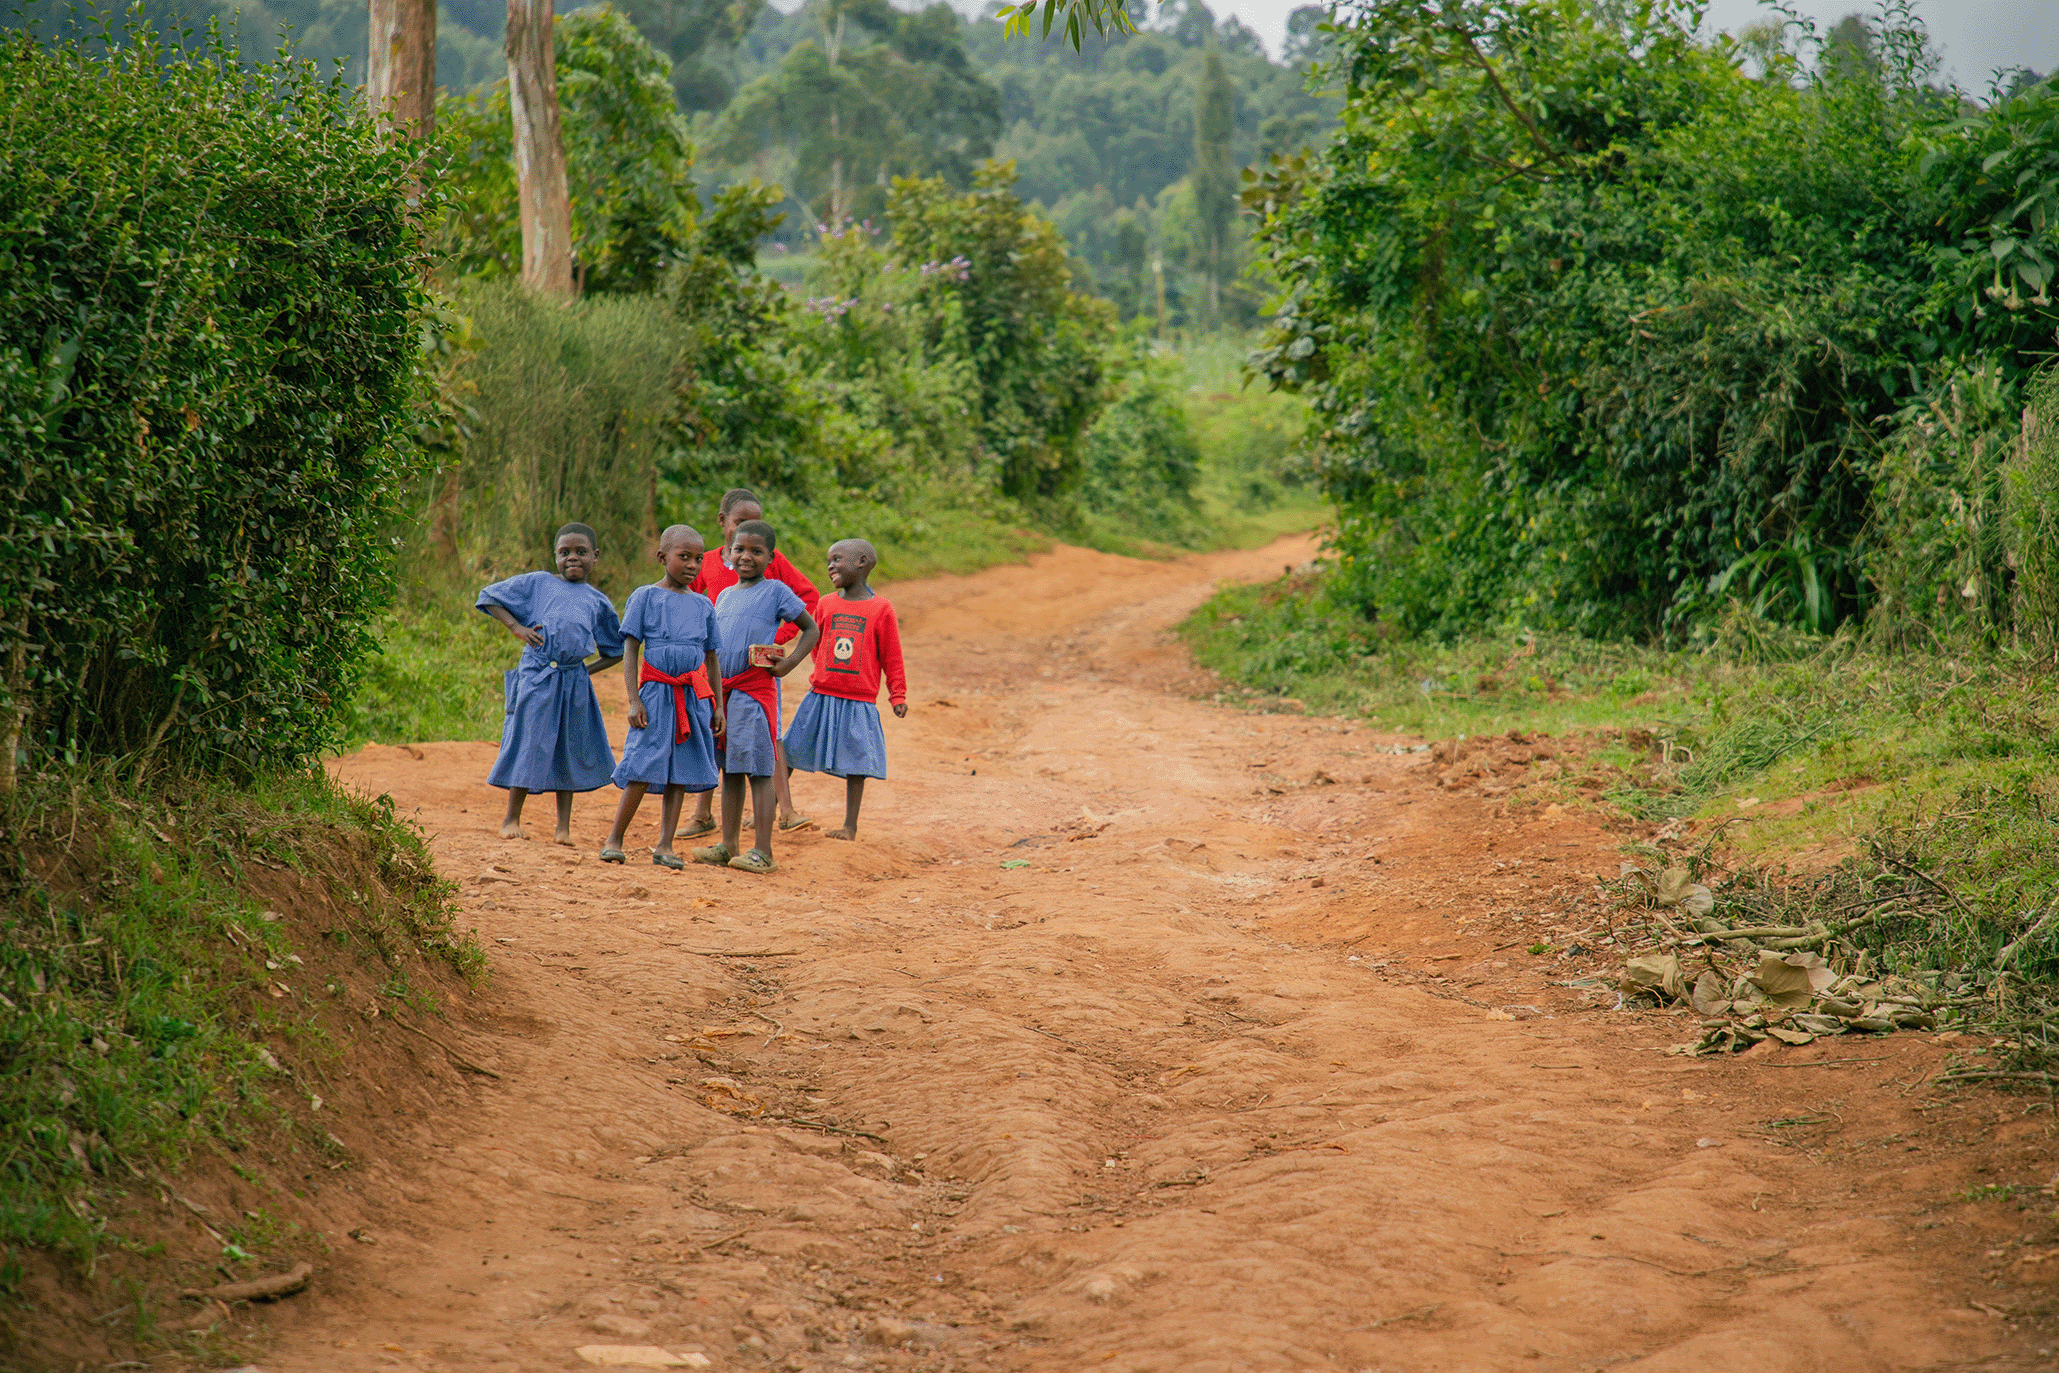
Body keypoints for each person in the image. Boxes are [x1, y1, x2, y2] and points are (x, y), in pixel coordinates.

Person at [685, 487, 821, 836]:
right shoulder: (708, 563)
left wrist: (777, 640)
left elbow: (808, 598)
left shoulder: (770, 569)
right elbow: (690, 600)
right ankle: (703, 814)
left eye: (757, 528)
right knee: (717, 737)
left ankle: (785, 810)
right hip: (717, 670)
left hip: (756, 676)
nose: (748, 545)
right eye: (740, 524)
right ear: (722, 523)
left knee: (766, 734)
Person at [477, 523, 624, 845]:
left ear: (595, 557)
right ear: (555, 556)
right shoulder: (539, 583)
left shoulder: (598, 602)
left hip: (574, 682)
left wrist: (586, 671)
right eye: (565, 552)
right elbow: (489, 597)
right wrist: (515, 626)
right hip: (536, 675)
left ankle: (563, 829)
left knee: (568, 747)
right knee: (528, 739)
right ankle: (511, 818)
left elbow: (615, 651)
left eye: (581, 552)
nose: (573, 558)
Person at [602, 525, 724, 869]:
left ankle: (665, 845)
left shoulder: (703, 605)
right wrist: (633, 699)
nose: (692, 565)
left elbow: (712, 659)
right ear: (662, 557)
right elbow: (630, 650)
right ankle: (615, 838)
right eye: (683, 557)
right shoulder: (645, 597)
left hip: (693, 699)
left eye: (699, 559)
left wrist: (717, 706)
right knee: (642, 763)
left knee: (681, 772)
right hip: (655, 694)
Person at [783, 538, 907, 841]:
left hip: (858, 700)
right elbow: (817, 643)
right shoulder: (826, 603)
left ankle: (850, 825)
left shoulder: (881, 608)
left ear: (862, 562)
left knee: (857, 762)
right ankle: (775, 808)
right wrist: (823, 671)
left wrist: (897, 694)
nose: (831, 566)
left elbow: (892, 656)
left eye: (838, 559)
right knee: (789, 750)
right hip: (821, 695)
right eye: (829, 560)